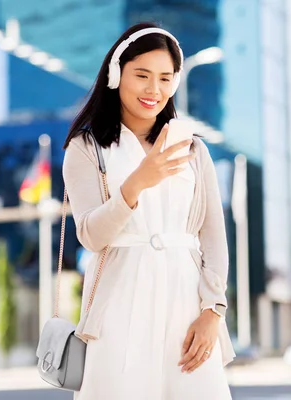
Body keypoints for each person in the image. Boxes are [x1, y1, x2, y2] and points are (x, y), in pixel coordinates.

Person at [62, 22, 235, 399]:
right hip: (118, 307)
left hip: (186, 307)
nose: (153, 89)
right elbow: (91, 235)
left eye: (165, 78)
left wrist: (212, 311)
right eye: (141, 75)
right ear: (115, 73)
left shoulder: (192, 149)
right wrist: (138, 182)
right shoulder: (85, 149)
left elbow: (213, 237)